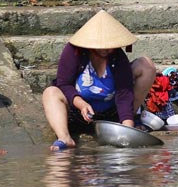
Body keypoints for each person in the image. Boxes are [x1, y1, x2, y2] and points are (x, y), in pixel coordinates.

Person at [42, 10, 157, 151]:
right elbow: (64, 84)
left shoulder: (117, 57)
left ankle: (126, 122)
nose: (105, 50)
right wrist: (81, 104)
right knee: (50, 92)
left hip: (111, 114)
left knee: (147, 65)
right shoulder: (73, 51)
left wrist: (127, 129)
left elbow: (124, 93)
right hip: (77, 113)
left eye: (109, 46)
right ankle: (65, 138)